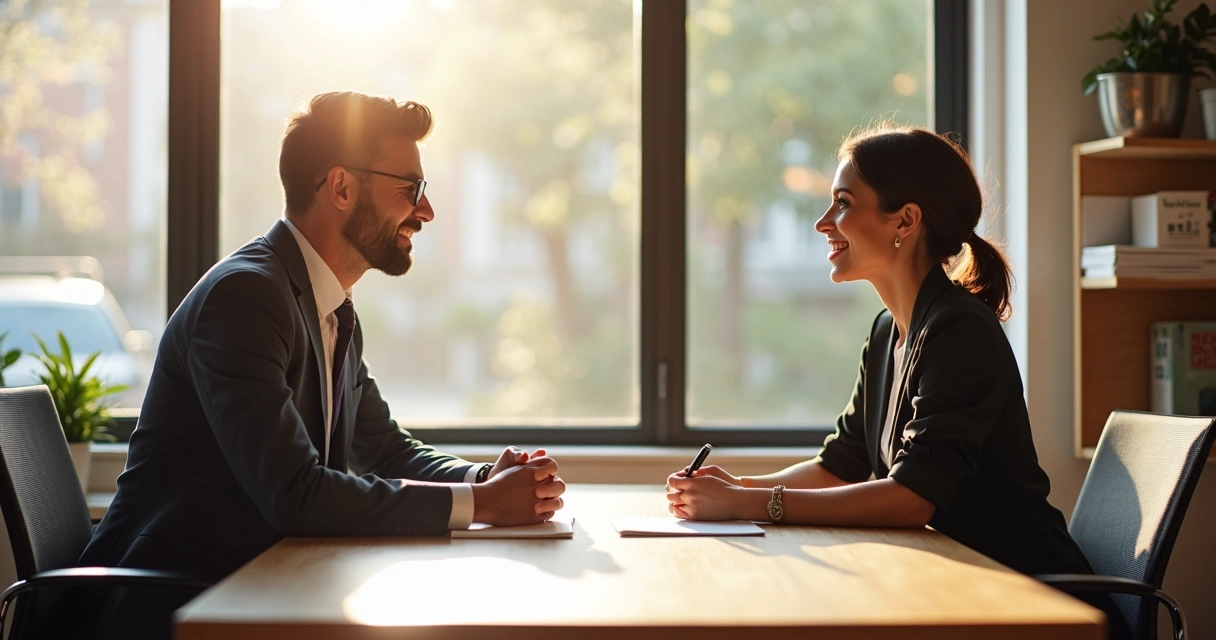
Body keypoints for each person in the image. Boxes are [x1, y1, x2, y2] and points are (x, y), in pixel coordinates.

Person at [74, 91, 565, 639]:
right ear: (341, 187)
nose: (425, 211)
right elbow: (296, 494)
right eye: (412, 188)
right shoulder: (246, 298)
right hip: (171, 608)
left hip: (259, 591)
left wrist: (483, 480)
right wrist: (482, 504)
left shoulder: (326, 304)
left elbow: (383, 448)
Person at [664, 125, 1128, 640]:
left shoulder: (959, 330)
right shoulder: (889, 331)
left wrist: (751, 505)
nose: (823, 223)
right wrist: (733, 489)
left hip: (1030, 601)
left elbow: (912, 498)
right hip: (956, 589)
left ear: (905, 220)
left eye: (842, 203)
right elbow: (840, 464)